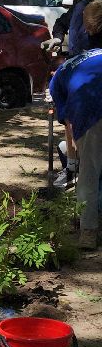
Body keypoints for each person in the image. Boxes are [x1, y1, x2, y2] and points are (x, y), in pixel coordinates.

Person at [49, 41, 102, 249]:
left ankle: (88, 233)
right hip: (89, 110)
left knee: (88, 173)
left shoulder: (65, 68)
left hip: (88, 112)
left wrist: (72, 162)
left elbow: (65, 116)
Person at [52, 0, 101, 190]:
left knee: (91, 169)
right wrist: (57, 37)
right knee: (71, 124)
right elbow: (60, 23)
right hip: (78, 73)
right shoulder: (78, 11)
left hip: (87, 70)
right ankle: (72, 167)